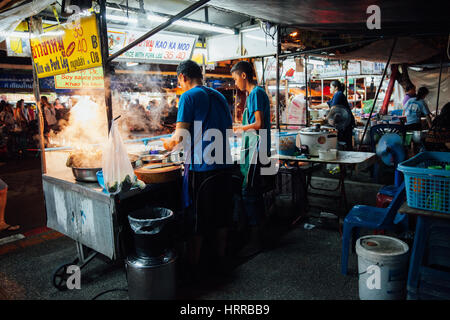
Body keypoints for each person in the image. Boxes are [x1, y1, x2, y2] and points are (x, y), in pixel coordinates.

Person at [162, 60, 233, 277]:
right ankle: (220, 261)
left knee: (196, 220)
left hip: (202, 168)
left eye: (178, 80)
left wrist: (166, 145)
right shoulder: (219, 95)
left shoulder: (188, 96)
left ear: (182, 76)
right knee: (221, 217)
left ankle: (193, 268)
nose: (179, 84)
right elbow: (227, 128)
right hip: (225, 165)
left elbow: (180, 136)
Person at [231, 60, 272, 257]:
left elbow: (258, 123)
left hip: (255, 151)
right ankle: (259, 237)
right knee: (253, 193)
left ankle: (257, 242)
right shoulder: (258, 93)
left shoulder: (255, 93)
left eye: (235, 78)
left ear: (244, 75)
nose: (235, 83)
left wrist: (240, 128)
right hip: (256, 149)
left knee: (249, 193)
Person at [311, 80, 355, 150]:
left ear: (336, 88)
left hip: (345, 123)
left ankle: (348, 158)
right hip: (345, 122)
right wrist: (314, 107)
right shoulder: (336, 95)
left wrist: (326, 119)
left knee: (346, 143)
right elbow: (327, 104)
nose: (329, 89)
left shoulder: (338, 94)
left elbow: (333, 109)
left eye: (331, 87)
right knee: (345, 142)